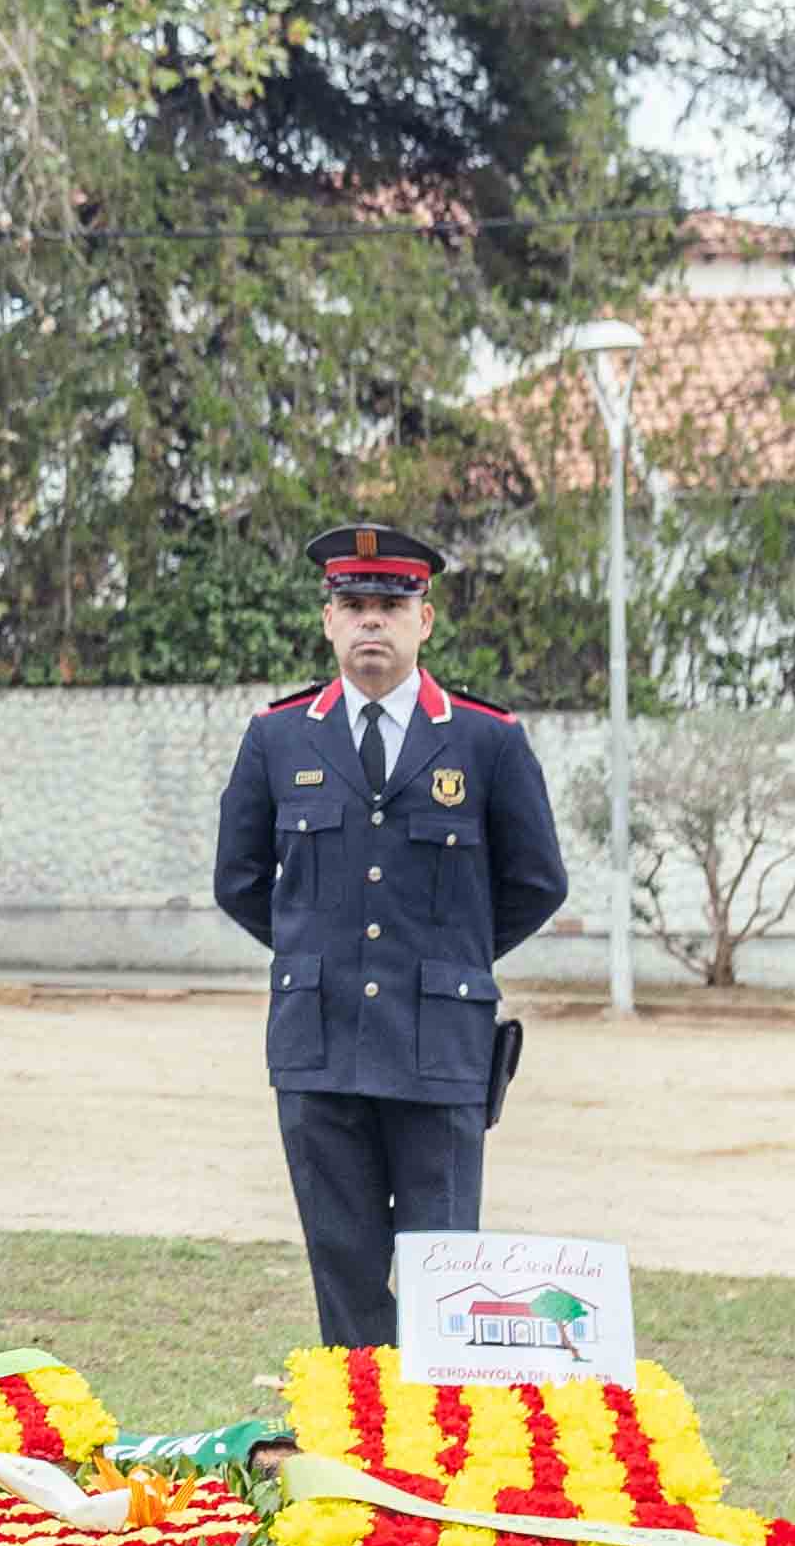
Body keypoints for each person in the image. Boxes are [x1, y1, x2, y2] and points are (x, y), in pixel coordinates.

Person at [210, 521, 569, 1349]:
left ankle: (437, 1454)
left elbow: (538, 881)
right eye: (355, 604)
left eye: (391, 605)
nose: (372, 621)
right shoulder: (278, 736)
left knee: (449, 1270)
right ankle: (361, 1447)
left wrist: (449, 960)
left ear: (425, 620)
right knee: (343, 1269)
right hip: (320, 1044)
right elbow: (239, 881)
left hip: (439, 1045)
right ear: (328, 619)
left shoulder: (487, 739)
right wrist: (316, 952)